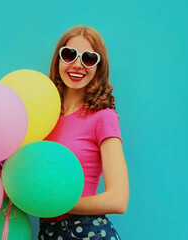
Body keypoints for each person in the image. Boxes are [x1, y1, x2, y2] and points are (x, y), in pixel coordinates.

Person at [39, 25, 129, 240]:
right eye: (69, 55)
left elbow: (118, 199)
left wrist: (57, 205)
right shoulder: (43, 117)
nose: (77, 64)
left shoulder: (103, 117)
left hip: (88, 232)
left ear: (99, 66)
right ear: (58, 60)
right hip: (47, 233)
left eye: (88, 58)